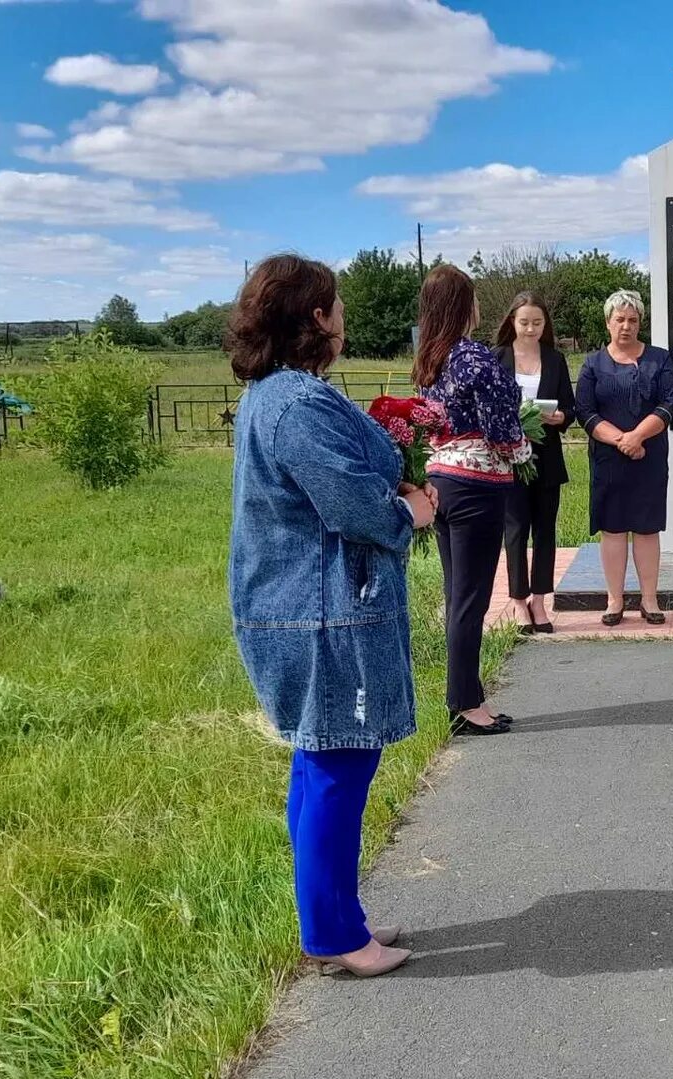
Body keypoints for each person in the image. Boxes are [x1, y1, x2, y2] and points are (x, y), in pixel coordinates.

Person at [226, 254, 435, 979]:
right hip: (321, 614)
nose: (344, 315)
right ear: (315, 317)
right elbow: (351, 507)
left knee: (324, 762)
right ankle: (335, 936)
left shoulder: (276, 394)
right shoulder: (297, 404)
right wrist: (411, 508)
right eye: (337, 304)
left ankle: (337, 918)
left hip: (309, 607)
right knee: (340, 761)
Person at [415, 265, 531, 737]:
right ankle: (465, 703)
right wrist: (521, 450)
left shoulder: (429, 359)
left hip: (440, 482)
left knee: (457, 594)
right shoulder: (475, 359)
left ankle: (467, 695)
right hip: (476, 486)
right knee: (471, 598)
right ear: (464, 305)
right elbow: (504, 429)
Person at [574, 290, 673, 627]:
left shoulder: (659, 359)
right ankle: (614, 600)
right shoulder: (592, 364)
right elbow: (585, 413)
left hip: (648, 456)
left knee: (647, 529)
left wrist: (637, 437)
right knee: (613, 529)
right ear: (608, 323)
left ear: (640, 324)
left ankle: (649, 600)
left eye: (633, 320)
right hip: (609, 459)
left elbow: (668, 404)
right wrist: (622, 440)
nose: (626, 326)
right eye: (619, 319)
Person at [492, 291, 575, 634]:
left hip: (547, 456)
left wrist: (561, 417)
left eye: (537, 323)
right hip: (509, 458)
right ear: (512, 321)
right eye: (524, 322)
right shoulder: (497, 357)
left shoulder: (555, 359)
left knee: (545, 530)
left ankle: (540, 599)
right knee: (515, 530)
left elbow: (570, 407)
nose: (530, 329)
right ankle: (517, 599)